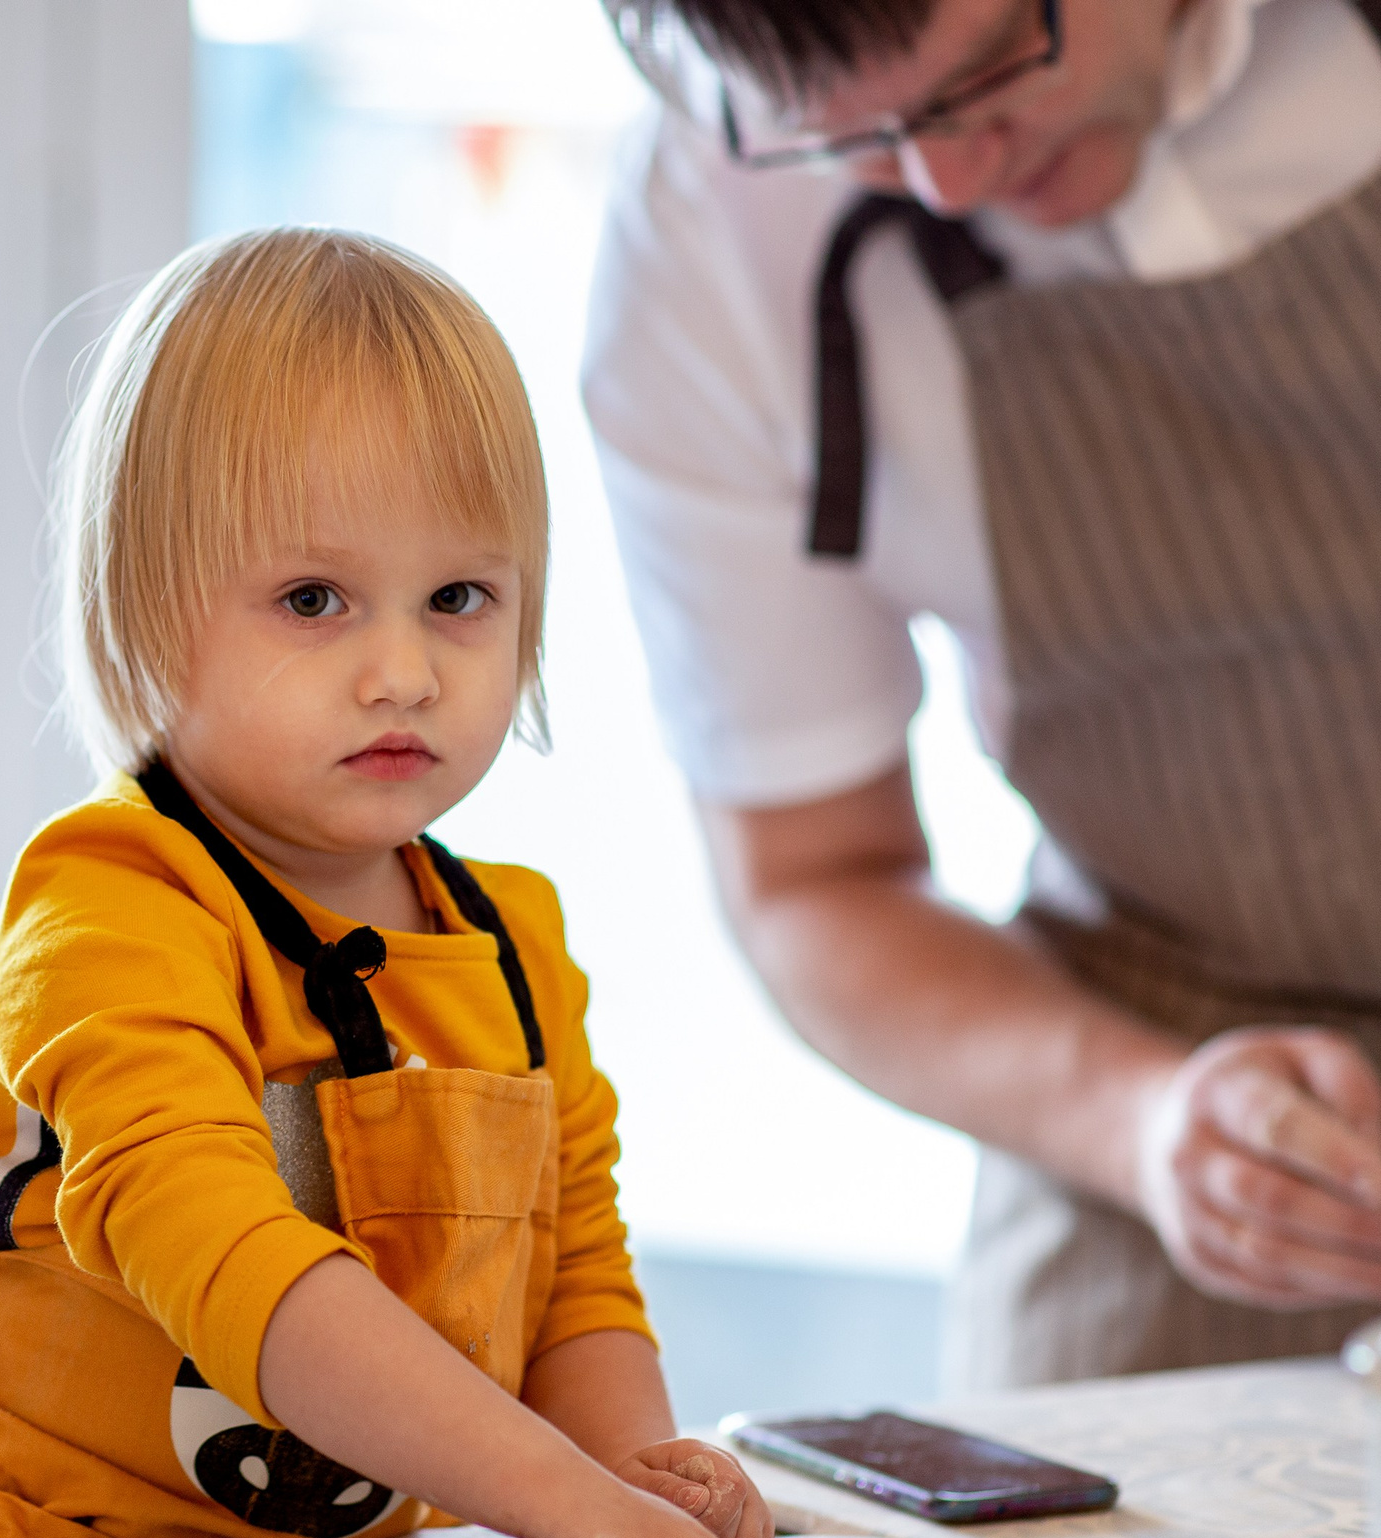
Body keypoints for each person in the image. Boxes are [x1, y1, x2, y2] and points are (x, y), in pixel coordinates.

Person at [0, 227, 809, 1538]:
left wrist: (635, 1479)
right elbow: (238, 1266)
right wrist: (558, 1505)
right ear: (137, 610)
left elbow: (577, 1286)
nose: (405, 670)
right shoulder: (107, 911)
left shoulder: (509, 943)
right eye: (314, 601)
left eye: (460, 600)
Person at [586, 0, 1381, 1388]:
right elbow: (814, 879)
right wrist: (1146, 1122)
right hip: (1158, 1122)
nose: (953, 180)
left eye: (992, 73)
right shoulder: (707, 229)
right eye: (864, 140)